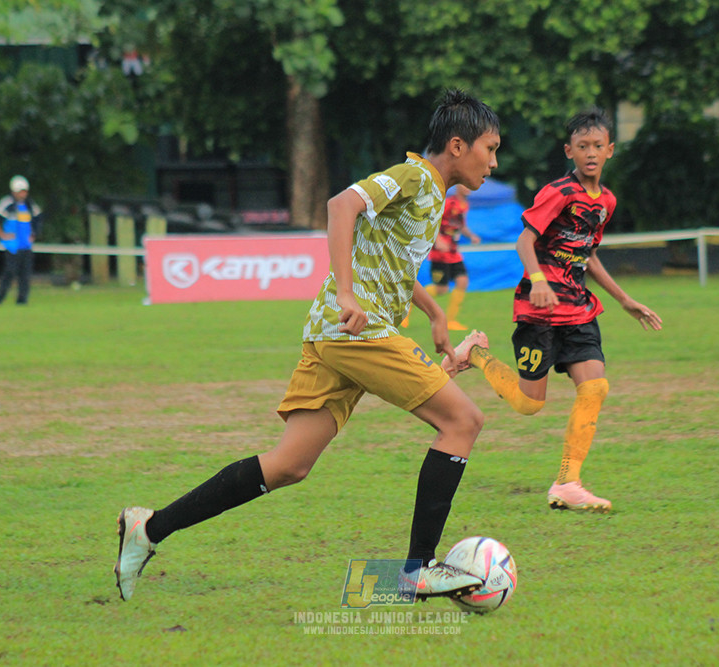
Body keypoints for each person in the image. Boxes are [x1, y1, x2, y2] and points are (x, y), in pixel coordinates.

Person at [114, 89, 502, 602]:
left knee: (288, 465)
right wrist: (346, 293)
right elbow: (341, 205)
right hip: (356, 330)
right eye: (490, 149)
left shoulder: (433, 193)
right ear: (457, 145)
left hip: (337, 333)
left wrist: (434, 314)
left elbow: (388, 259)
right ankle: (417, 569)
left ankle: (148, 528)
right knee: (463, 421)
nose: (493, 163)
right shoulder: (414, 176)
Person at [443, 107, 662, 514]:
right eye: (583, 146)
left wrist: (624, 299)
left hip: (578, 308)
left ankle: (568, 482)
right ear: (569, 151)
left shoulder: (606, 201)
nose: (591, 153)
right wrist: (539, 280)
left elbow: (587, 253)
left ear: (610, 150)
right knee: (530, 404)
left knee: (595, 387)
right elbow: (524, 241)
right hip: (539, 309)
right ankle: (476, 353)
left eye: (598, 145)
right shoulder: (558, 193)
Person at [402, 185, 481, 330]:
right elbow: (432, 220)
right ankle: (407, 306)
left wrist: (471, 236)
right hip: (440, 254)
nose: (469, 188)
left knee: (462, 281)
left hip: (453, 252)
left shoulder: (464, 205)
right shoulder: (449, 203)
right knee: (441, 289)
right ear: (458, 187)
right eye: (465, 185)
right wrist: (438, 240)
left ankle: (451, 321)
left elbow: (461, 225)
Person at [0, 175, 44, 305]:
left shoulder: (30, 205)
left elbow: (38, 219)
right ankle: (0, 297)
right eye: (20, 192)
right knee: (10, 272)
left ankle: (22, 299)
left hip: (26, 245)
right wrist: (2, 234)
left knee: (25, 274)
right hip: (12, 246)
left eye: (24, 191)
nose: (23, 194)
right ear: (14, 191)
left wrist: (34, 234)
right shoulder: (7, 203)